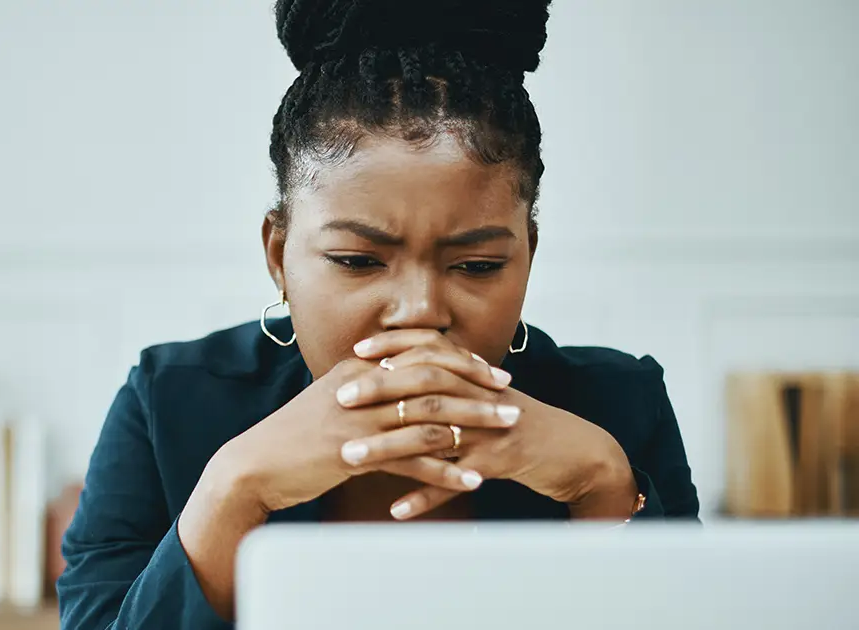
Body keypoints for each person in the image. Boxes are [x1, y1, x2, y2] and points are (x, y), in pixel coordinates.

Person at [57, 1, 700, 627]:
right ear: (279, 256)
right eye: (358, 261)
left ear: (527, 256)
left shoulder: (619, 406)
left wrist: (603, 487)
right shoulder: (168, 404)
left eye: (476, 266)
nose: (419, 314)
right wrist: (233, 491)